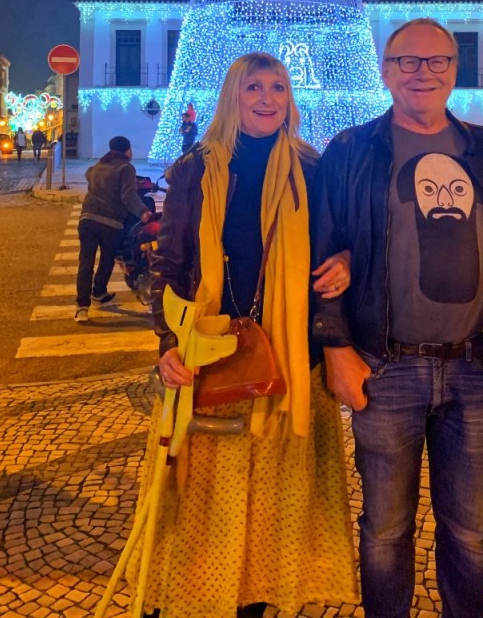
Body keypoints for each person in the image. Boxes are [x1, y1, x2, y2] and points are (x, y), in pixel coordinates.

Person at [311, 18, 483, 618]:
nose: (424, 72)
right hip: (385, 366)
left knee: (470, 531)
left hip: (475, 366)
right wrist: (336, 348)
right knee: (385, 529)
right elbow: (323, 250)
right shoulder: (351, 152)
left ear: (454, 69)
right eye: (408, 61)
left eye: (437, 60)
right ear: (387, 72)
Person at [131, 52, 358, 618]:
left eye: (278, 87)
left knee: (274, 511)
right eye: (253, 87)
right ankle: (197, 599)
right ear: (232, 96)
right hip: (210, 357)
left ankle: (255, 602)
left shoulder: (311, 168)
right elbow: (170, 265)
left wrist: (347, 260)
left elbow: (341, 242)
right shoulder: (194, 170)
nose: (267, 98)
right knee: (205, 505)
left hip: (290, 360)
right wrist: (168, 345)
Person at [75, 135, 151, 323]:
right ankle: (98, 292)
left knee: (85, 261)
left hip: (87, 219)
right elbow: (128, 195)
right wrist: (143, 212)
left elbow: (88, 174)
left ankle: (82, 307)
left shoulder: (98, 166)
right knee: (107, 260)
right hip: (110, 222)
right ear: (127, 150)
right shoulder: (126, 168)